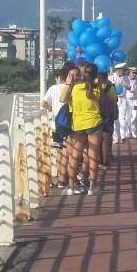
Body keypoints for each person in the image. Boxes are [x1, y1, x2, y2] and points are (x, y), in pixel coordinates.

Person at [62, 63, 104, 196]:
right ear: (95, 75)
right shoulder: (97, 88)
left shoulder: (74, 88)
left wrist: (70, 84)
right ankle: (93, 186)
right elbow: (102, 102)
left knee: (75, 155)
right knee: (93, 156)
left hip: (78, 125)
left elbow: (63, 99)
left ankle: (71, 186)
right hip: (94, 123)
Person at [41, 62, 73, 188]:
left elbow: (43, 103)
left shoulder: (53, 88)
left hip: (55, 123)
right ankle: (65, 179)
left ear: (59, 77)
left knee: (59, 152)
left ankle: (60, 178)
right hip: (68, 124)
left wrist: (52, 109)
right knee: (67, 152)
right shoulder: (70, 88)